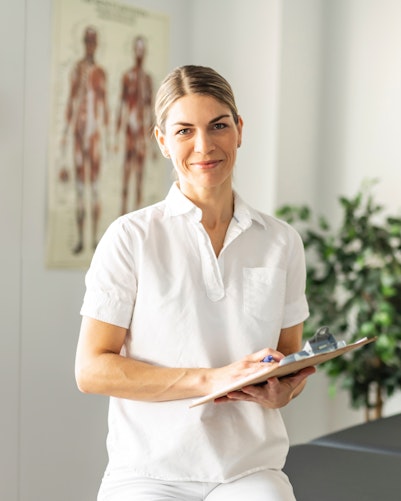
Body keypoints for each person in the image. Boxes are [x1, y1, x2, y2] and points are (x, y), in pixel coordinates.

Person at [75, 64, 315, 500]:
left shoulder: (281, 242)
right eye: (184, 130)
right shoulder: (131, 237)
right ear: (163, 141)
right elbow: (91, 369)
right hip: (147, 472)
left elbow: (289, 356)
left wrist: (282, 390)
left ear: (239, 130)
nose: (204, 145)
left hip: (249, 469)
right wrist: (212, 379)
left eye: (218, 126)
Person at [61, 26, 109, 254]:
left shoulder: (100, 72)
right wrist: (64, 134)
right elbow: (71, 101)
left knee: (96, 188)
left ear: (96, 44)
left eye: (93, 41)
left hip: (94, 136)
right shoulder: (77, 69)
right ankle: (81, 238)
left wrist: (108, 138)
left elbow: (104, 105)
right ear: (84, 43)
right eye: (88, 41)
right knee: (80, 189)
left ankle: (96, 239)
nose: (90, 45)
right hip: (80, 135)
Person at [115, 35, 153, 214]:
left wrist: (152, 143)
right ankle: (123, 215)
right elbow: (121, 106)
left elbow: (151, 110)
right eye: (137, 49)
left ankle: (138, 216)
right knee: (126, 173)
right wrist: (116, 136)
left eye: (142, 49)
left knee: (139, 177)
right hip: (130, 131)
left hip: (142, 134)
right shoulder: (127, 77)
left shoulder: (147, 80)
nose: (139, 53)